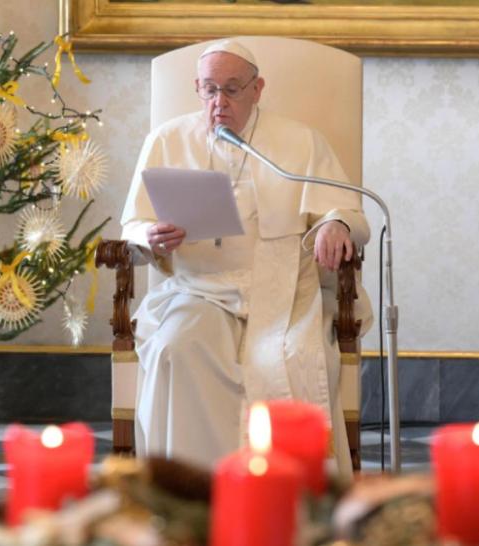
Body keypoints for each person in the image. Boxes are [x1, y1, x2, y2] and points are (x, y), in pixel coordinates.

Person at [120, 39, 370, 476]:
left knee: (287, 359)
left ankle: (283, 500)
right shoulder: (167, 139)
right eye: (209, 89)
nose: (219, 102)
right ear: (197, 89)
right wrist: (150, 236)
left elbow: (350, 211)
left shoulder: (299, 141)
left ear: (258, 89)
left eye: (232, 89)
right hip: (198, 290)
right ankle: (191, 491)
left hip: (283, 292)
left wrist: (337, 224)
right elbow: (132, 225)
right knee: (176, 350)